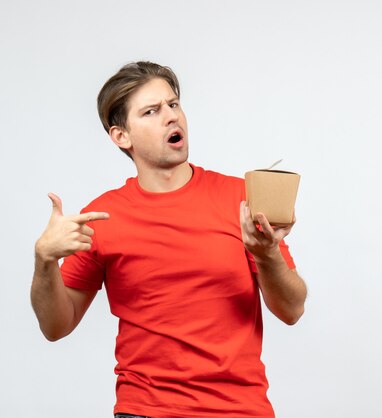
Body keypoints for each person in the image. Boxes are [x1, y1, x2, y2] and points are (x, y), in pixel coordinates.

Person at [30, 61, 307, 418]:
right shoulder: (101, 217)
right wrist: (44, 260)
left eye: (173, 104)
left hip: (240, 410)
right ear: (121, 136)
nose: (171, 117)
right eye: (151, 111)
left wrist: (267, 254)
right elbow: (55, 326)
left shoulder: (241, 198)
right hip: (145, 410)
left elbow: (292, 310)